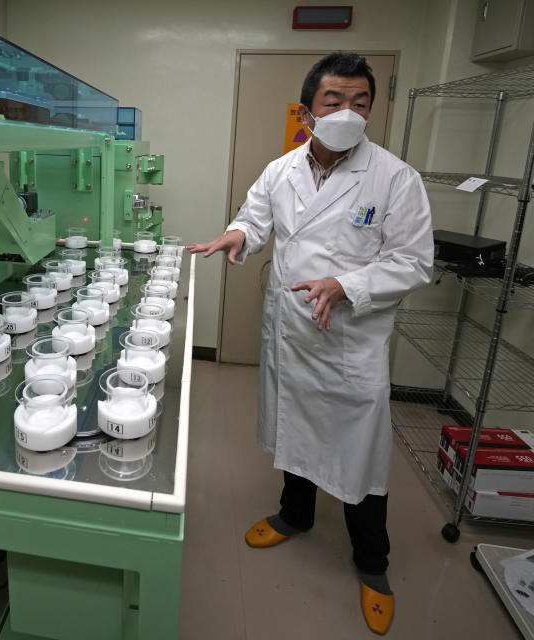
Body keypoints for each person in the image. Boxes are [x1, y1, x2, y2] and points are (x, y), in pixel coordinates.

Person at [187, 52, 433, 635]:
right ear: (307, 111)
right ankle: (293, 515)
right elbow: (254, 218)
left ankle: (373, 564)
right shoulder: (281, 170)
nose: (349, 112)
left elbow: (414, 261)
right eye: (334, 101)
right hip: (293, 330)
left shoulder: (395, 178)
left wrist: (347, 285)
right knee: (294, 427)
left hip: (349, 339)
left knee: (360, 453)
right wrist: (236, 235)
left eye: (360, 103)